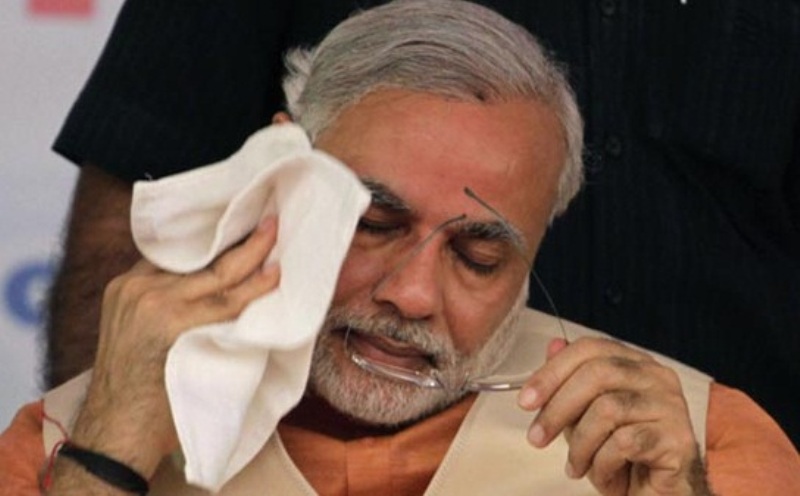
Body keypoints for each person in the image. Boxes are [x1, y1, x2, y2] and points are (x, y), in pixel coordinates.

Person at [3, 2, 797, 494]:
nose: (411, 295)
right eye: (373, 224)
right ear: (281, 174)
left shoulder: (701, 447)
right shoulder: (72, 437)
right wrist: (104, 461)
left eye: (478, 256)